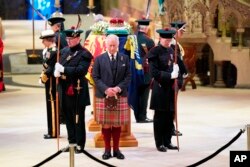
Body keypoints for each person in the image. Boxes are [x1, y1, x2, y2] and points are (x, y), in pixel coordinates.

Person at [54, 26, 93, 153]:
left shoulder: (84, 54)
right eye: (68, 38)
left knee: (78, 118)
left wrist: (64, 70)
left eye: (72, 38)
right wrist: (57, 71)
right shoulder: (65, 51)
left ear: (78, 39)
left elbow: (81, 70)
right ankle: (72, 142)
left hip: (77, 90)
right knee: (67, 118)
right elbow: (60, 64)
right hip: (65, 90)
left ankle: (80, 144)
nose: (69, 41)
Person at [92, 34, 131, 160]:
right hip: (104, 95)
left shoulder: (125, 59)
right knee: (106, 125)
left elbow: (128, 77)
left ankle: (116, 149)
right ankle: (107, 150)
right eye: (110, 45)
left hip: (120, 95)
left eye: (115, 45)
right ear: (106, 45)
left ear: (118, 45)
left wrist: (118, 88)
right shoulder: (99, 59)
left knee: (117, 124)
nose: (112, 48)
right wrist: (106, 89)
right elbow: (95, 77)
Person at [148, 28, 179, 152]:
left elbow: (174, 66)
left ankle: (168, 141)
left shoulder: (172, 50)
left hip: (170, 89)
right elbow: (154, 72)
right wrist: (170, 75)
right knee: (160, 117)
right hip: (160, 88)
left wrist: (177, 73)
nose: (168, 42)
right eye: (165, 39)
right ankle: (159, 143)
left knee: (169, 116)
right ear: (160, 38)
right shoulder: (154, 52)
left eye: (170, 39)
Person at [134, 18, 155, 123]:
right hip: (145, 71)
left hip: (133, 70)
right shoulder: (149, 40)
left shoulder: (132, 38)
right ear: (146, 28)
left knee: (136, 93)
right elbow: (153, 57)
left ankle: (137, 115)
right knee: (144, 94)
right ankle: (142, 116)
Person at [170, 21, 188, 136]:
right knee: (171, 105)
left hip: (176, 77)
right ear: (177, 31)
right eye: (182, 31)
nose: (182, 34)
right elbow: (177, 61)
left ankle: (170, 127)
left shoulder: (174, 43)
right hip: (173, 78)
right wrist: (184, 71)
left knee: (172, 104)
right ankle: (170, 128)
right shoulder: (172, 44)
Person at [39, 29, 58, 139]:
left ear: (48, 40)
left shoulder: (52, 51)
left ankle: (53, 131)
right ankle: (51, 130)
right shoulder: (49, 50)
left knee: (52, 106)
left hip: (51, 83)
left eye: (43, 40)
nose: (42, 43)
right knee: (50, 106)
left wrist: (43, 78)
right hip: (49, 81)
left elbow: (50, 68)